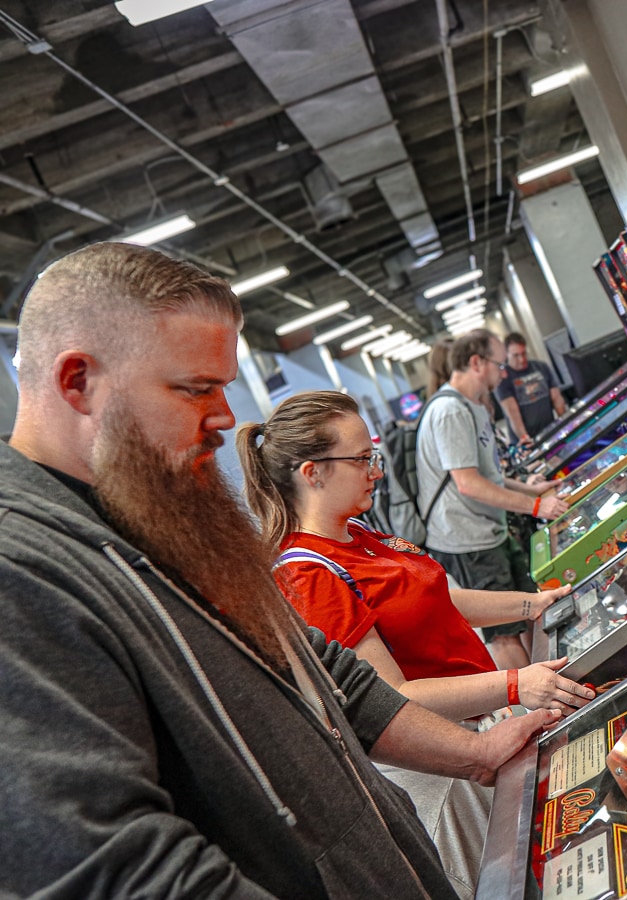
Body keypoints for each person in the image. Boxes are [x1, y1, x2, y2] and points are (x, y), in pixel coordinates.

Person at [0, 242, 558, 898]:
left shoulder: (149, 514)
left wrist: (476, 753)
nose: (227, 418)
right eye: (195, 389)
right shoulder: (22, 570)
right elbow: (118, 868)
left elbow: (326, 670)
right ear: (78, 383)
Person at [237, 389, 594, 894]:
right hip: (449, 766)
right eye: (362, 460)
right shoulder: (308, 573)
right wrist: (516, 684)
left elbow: (441, 598)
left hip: (487, 726)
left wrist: (532, 604)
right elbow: (391, 696)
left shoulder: (357, 533)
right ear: (311, 472)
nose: (377, 471)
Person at [418, 330, 568, 671]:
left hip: (490, 531)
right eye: (500, 365)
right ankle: (539, 713)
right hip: (467, 540)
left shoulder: (472, 406)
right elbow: (468, 484)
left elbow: (488, 476)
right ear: (476, 363)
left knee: (532, 606)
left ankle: (549, 677)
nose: (504, 374)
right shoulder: (449, 411)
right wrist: (534, 507)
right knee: (504, 633)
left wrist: (530, 490)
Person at [494, 332, 566, 446]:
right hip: (525, 440)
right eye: (516, 355)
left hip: (549, 433)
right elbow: (513, 415)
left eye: (523, 354)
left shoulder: (541, 367)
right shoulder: (503, 378)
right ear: (506, 355)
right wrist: (526, 441)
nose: (522, 359)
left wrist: (566, 425)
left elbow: (557, 399)